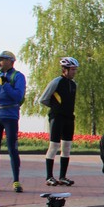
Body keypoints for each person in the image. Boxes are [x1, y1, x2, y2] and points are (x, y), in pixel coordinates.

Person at [0, 50, 27, 192]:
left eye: (2, 60)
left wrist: (6, 85)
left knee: (12, 148)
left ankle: (16, 181)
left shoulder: (18, 76)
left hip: (10, 116)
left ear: (10, 61)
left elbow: (18, 97)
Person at [37, 56, 79, 186]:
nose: (74, 72)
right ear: (65, 69)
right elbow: (43, 99)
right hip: (57, 117)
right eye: (72, 69)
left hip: (69, 117)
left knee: (66, 146)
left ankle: (62, 176)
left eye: (75, 69)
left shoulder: (73, 84)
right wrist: (55, 107)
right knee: (54, 146)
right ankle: (49, 177)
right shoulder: (56, 82)